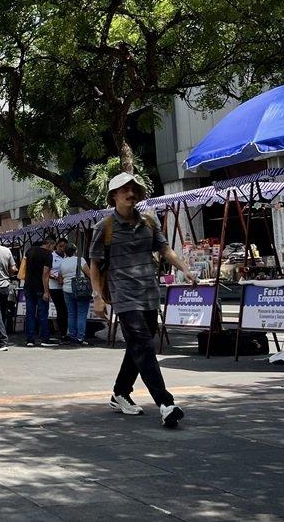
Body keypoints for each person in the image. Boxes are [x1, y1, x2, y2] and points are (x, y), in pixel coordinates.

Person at [89, 173, 199, 429]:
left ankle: (120, 393)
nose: (131, 194)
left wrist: (185, 269)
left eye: (134, 189)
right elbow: (94, 263)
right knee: (144, 346)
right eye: (124, 190)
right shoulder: (104, 227)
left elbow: (165, 249)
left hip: (149, 294)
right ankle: (165, 404)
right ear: (114, 196)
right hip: (124, 296)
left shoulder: (149, 222)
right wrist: (97, 297)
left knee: (138, 347)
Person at [23, 235, 56, 347]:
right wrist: (46, 291)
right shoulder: (48, 255)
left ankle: (30, 339)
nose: (53, 249)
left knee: (30, 314)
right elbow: (45, 274)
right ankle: (44, 339)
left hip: (28, 286)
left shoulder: (30, 251)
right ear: (49, 244)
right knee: (43, 314)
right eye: (53, 246)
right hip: (40, 288)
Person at [57, 244, 92, 346]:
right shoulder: (80, 260)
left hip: (67, 290)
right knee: (81, 314)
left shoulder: (62, 262)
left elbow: (60, 280)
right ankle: (80, 338)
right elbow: (90, 274)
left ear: (65, 252)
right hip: (81, 290)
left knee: (71, 314)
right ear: (75, 251)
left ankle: (72, 336)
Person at [49, 238, 71, 343]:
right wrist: (55, 277)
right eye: (60, 246)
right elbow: (46, 271)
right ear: (56, 246)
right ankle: (62, 333)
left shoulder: (68, 257)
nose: (62, 249)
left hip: (66, 287)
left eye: (64, 247)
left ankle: (68, 332)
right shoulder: (51, 256)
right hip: (54, 287)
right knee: (61, 309)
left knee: (67, 310)